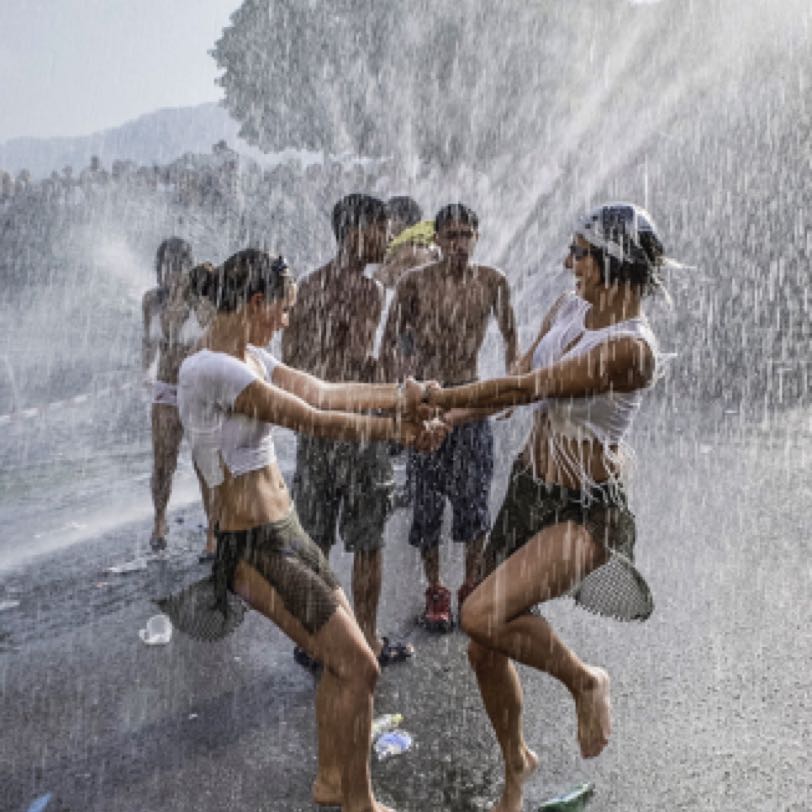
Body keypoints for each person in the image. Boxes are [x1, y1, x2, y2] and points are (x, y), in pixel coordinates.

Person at [171, 248, 445, 812]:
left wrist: (400, 396)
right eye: (284, 309)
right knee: (358, 665)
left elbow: (324, 391)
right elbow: (312, 420)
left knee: (340, 662)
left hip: (285, 532)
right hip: (254, 547)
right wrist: (399, 427)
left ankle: (330, 782)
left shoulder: (249, 357)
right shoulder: (210, 369)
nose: (286, 321)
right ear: (255, 303)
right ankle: (360, 802)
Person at [424, 202, 667, 812]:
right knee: (485, 645)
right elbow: (516, 379)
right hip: (529, 491)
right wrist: (452, 417)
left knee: (479, 615)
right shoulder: (568, 309)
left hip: (584, 511)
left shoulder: (631, 349)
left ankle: (587, 680)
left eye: (580, 253)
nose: (569, 264)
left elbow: (529, 388)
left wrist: (441, 395)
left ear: (613, 263)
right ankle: (516, 764)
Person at [281, 193, 414, 668]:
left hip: (317, 429)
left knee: (315, 541)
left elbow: (291, 361)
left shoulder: (308, 286)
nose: (389, 239)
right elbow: (364, 362)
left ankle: (315, 638)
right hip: (359, 429)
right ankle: (368, 639)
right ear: (356, 232)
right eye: (382, 229)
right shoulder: (371, 291)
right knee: (367, 542)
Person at [380, 203, 518, 631]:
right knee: (426, 504)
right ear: (436, 240)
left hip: (470, 401)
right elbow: (388, 344)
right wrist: (401, 393)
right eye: (451, 235)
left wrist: (513, 384)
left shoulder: (492, 282)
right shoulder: (413, 283)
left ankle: (471, 584)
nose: (459, 243)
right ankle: (436, 588)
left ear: (477, 237)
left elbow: (513, 338)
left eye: (466, 235)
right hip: (427, 407)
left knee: (474, 502)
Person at [141, 238, 216, 557]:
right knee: (162, 463)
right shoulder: (151, 302)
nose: (172, 273)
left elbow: (216, 341)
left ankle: (213, 531)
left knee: (204, 463)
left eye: (179, 266)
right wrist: (143, 372)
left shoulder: (202, 302)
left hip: (197, 390)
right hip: (165, 389)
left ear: (188, 267)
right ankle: (159, 520)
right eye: (166, 266)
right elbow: (147, 342)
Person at [372, 196, 439, 290]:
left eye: (386, 219)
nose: (384, 225)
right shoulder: (427, 244)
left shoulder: (408, 250)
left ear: (397, 219)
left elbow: (384, 279)